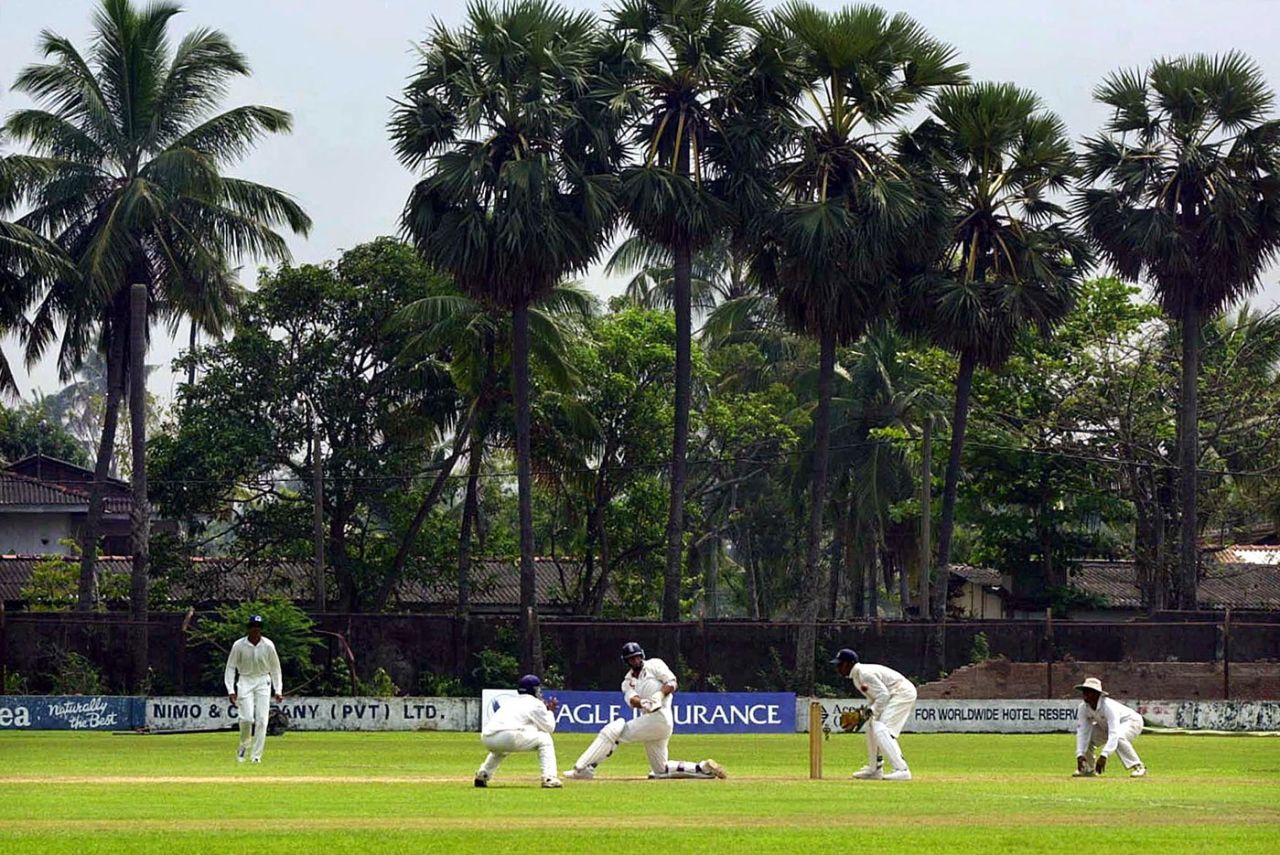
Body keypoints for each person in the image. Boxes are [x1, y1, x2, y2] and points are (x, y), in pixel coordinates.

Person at [563, 642, 726, 781]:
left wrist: (660, 694)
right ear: (626, 661)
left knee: (613, 732)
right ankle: (703, 768)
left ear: (642, 655)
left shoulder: (655, 664)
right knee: (660, 770)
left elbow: (672, 682)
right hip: (652, 722)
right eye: (631, 658)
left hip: (661, 717)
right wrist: (643, 703)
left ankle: (584, 768)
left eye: (637, 656)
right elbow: (632, 700)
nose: (636, 660)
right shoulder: (628, 681)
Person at [831, 648, 916, 781]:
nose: (838, 668)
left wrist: (870, 711)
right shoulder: (857, 677)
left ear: (848, 664)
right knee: (871, 726)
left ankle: (902, 769)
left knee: (881, 728)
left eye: (840, 664)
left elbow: (883, 695)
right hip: (893, 694)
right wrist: (866, 713)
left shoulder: (864, 674)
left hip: (902, 693)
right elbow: (875, 698)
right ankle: (874, 769)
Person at [475, 674, 562, 789]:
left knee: (501, 749)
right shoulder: (535, 703)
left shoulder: (510, 701)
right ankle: (549, 777)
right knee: (545, 739)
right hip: (508, 736)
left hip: (487, 738)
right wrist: (550, 711)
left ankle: (483, 775)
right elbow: (550, 728)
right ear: (534, 689)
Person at [224, 614, 283, 764]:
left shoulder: (268, 645)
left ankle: (256, 756)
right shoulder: (238, 645)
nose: (256, 630)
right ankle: (243, 746)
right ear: (248, 629)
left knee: (262, 720)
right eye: (253, 627)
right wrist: (230, 690)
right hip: (245, 680)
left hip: (263, 680)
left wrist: (278, 689)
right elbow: (230, 668)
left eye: (258, 628)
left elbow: (276, 669)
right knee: (246, 718)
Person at [1073, 677, 1147, 778]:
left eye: (1088, 691)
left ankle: (1139, 767)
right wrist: (1080, 754)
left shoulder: (1108, 707)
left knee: (1119, 737)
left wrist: (1104, 755)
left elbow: (1114, 733)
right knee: (1088, 738)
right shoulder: (1083, 707)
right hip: (1106, 727)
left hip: (1132, 722)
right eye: (1084, 691)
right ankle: (1088, 769)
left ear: (1096, 694)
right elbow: (1082, 731)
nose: (1085, 694)